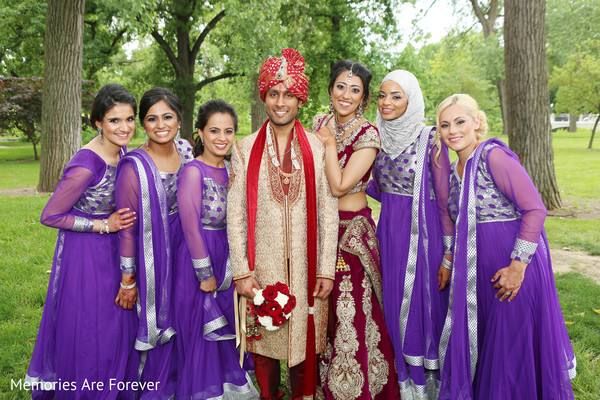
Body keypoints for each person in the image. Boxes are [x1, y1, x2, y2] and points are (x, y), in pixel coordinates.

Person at [435, 94, 576, 399]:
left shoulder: (492, 157)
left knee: (512, 353)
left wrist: (517, 267)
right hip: (477, 275)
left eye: (460, 122)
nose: (452, 130)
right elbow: (453, 221)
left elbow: (535, 209)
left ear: (477, 123)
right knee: (489, 347)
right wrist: (448, 262)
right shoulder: (453, 171)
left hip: (511, 271)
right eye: (445, 125)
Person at [227, 48, 339, 400]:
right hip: (264, 267)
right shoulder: (244, 149)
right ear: (264, 97)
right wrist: (243, 272)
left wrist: (325, 269)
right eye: (273, 94)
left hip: (307, 269)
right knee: (265, 347)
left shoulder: (317, 148)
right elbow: (235, 214)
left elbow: (327, 210)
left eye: (288, 94)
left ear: (300, 100)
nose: (280, 102)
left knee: (304, 346)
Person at [26, 83, 139, 399]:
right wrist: (104, 224)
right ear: (98, 123)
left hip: (116, 249)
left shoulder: (123, 152)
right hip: (85, 253)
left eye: (129, 119)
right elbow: (51, 215)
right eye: (114, 120)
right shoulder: (87, 162)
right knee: (92, 329)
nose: (124, 127)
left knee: (117, 325)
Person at [313, 61, 401, 400]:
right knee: (326, 310)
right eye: (340, 86)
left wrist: (330, 146)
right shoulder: (320, 123)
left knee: (354, 311)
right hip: (322, 230)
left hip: (352, 235)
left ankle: (362, 390)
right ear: (331, 89)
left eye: (355, 89)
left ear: (363, 96)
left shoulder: (368, 135)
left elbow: (340, 187)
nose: (345, 95)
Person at [365, 70, 453, 398]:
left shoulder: (431, 138)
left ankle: (429, 386)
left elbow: (445, 200)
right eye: (382, 95)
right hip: (389, 233)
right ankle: (402, 384)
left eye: (396, 96)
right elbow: (373, 188)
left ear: (411, 99)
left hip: (424, 236)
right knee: (393, 305)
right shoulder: (375, 137)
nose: (387, 102)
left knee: (425, 305)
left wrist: (448, 252)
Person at [173, 99, 258, 399]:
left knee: (230, 329)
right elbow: (191, 226)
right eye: (214, 131)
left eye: (229, 131)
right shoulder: (194, 172)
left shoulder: (233, 169)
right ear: (200, 133)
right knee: (203, 332)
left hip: (229, 256)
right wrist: (204, 274)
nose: (222, 138)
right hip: (201, 259)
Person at [115, 87, 194, 399]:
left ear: (178, 119)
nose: (161, 124)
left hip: (187, 248)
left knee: (186, 314)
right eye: (151, 118)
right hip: (153, 255)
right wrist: (128, 280)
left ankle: (188, 379)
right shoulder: (133, 167)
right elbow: (127, 230)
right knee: (160, 319)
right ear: (143, 124)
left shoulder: (187, 150)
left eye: (167, 116)